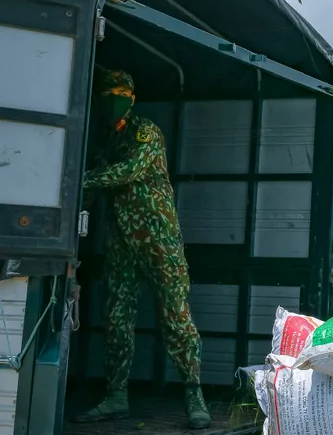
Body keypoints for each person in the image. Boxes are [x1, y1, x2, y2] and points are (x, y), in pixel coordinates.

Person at [72, 69, 211, 430]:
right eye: (108, 93)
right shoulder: (103, 138)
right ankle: (116, 396)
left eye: (121, 92)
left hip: (159, 241)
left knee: (176, 320)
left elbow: (126, 172)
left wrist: (78, 179)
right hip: (122, 243)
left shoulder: (144, 133)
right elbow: (95, 187)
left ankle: (194, 397)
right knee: (116, 320)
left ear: (132, 98)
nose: (114, 99)